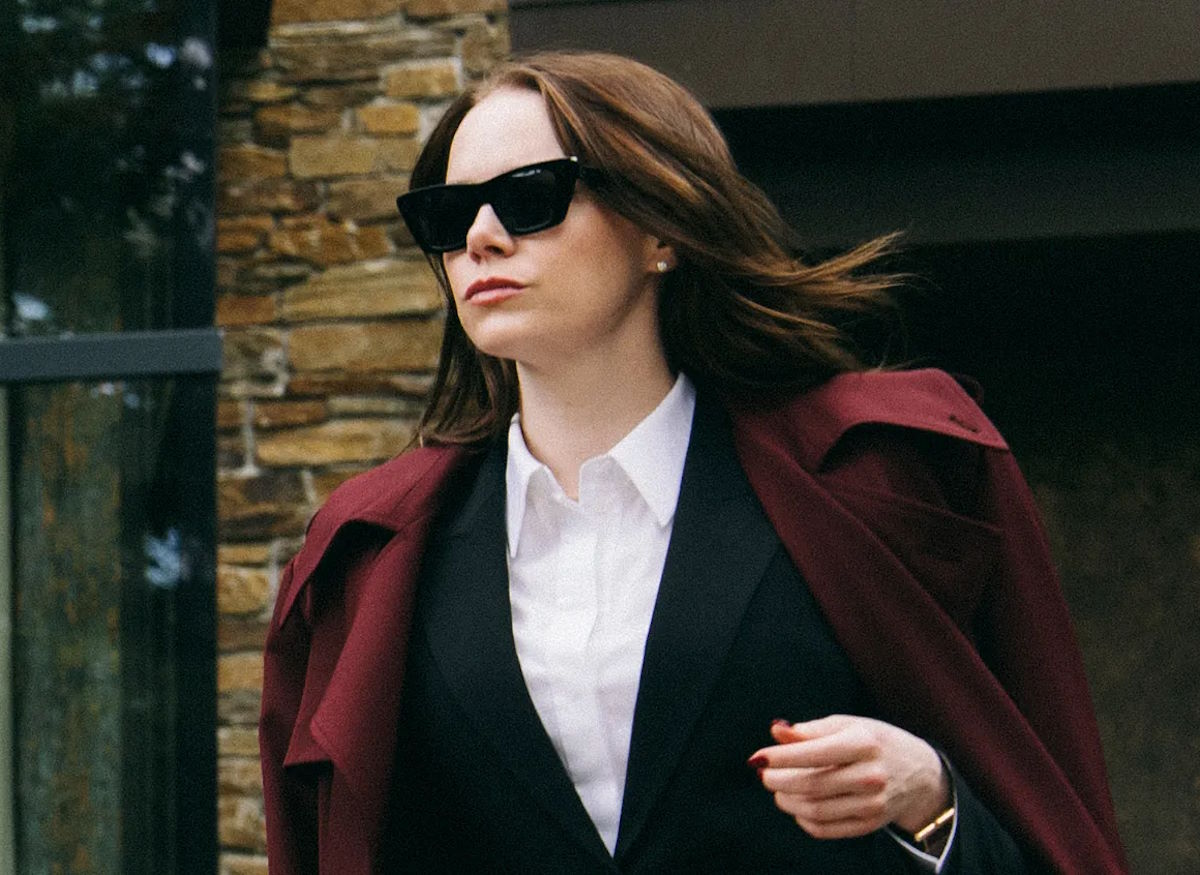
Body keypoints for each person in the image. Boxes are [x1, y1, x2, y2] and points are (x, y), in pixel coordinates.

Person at [259, 51, 1127, 874]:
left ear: (660, 232)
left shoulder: (887, 476)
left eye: (528, 197)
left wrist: (930, 798)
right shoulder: (369, 559)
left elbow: (1055, 830)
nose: (479, 237)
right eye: (448, 217)